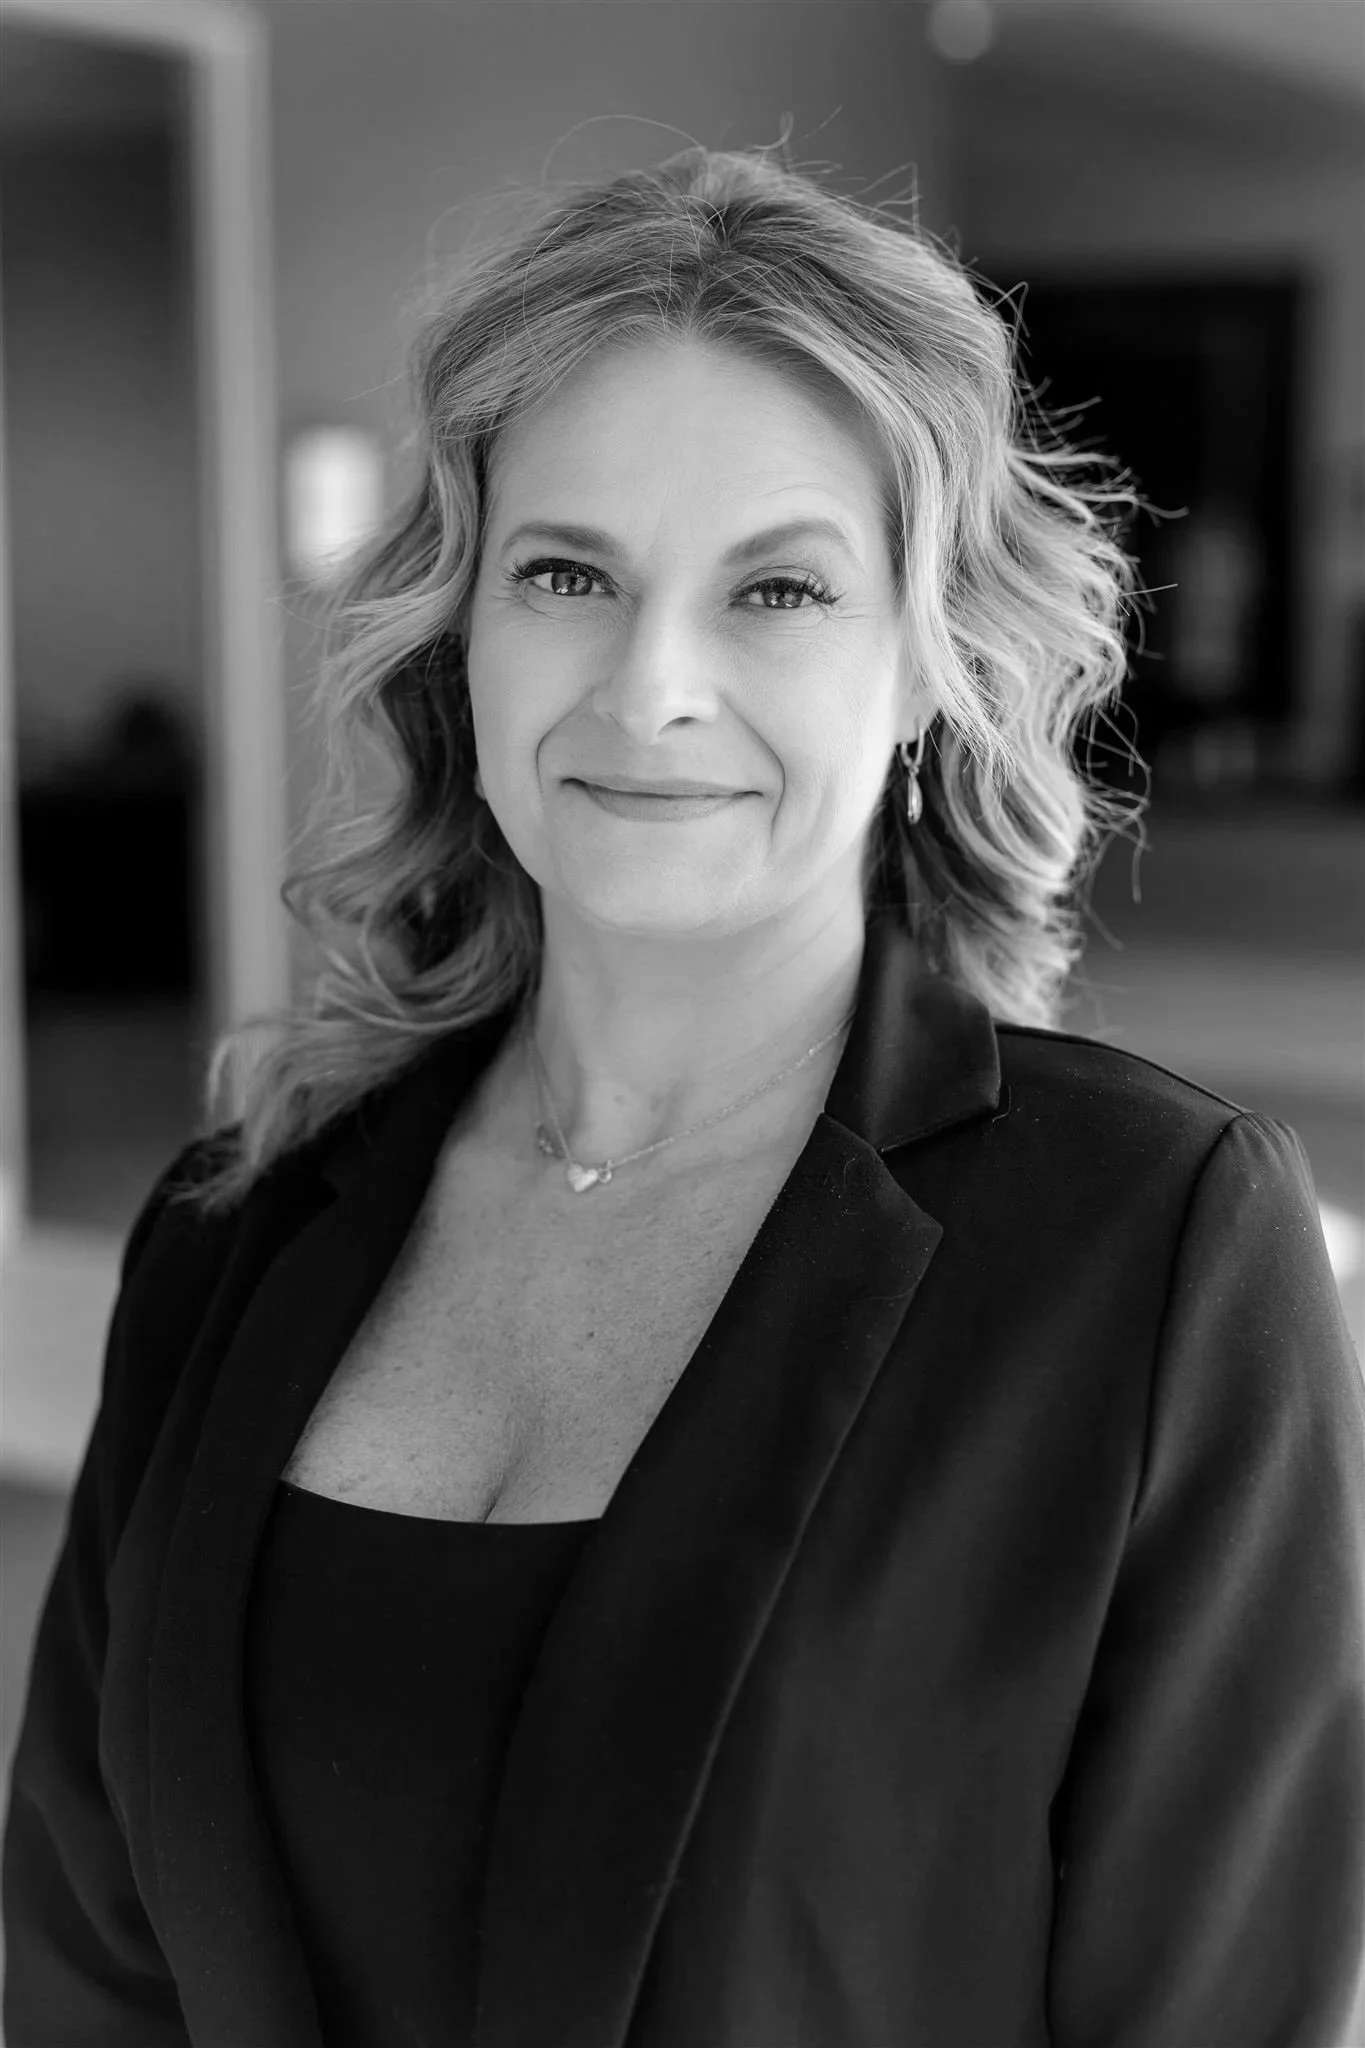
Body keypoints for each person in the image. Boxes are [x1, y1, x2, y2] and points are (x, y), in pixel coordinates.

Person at [3, 145, 1362, 2048]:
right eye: (568, 572)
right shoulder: (236, 1225)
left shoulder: (1155, 1254)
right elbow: (85, 1971)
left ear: (926, 666)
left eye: (779, 590)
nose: (650, 687)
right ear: (457, 631)